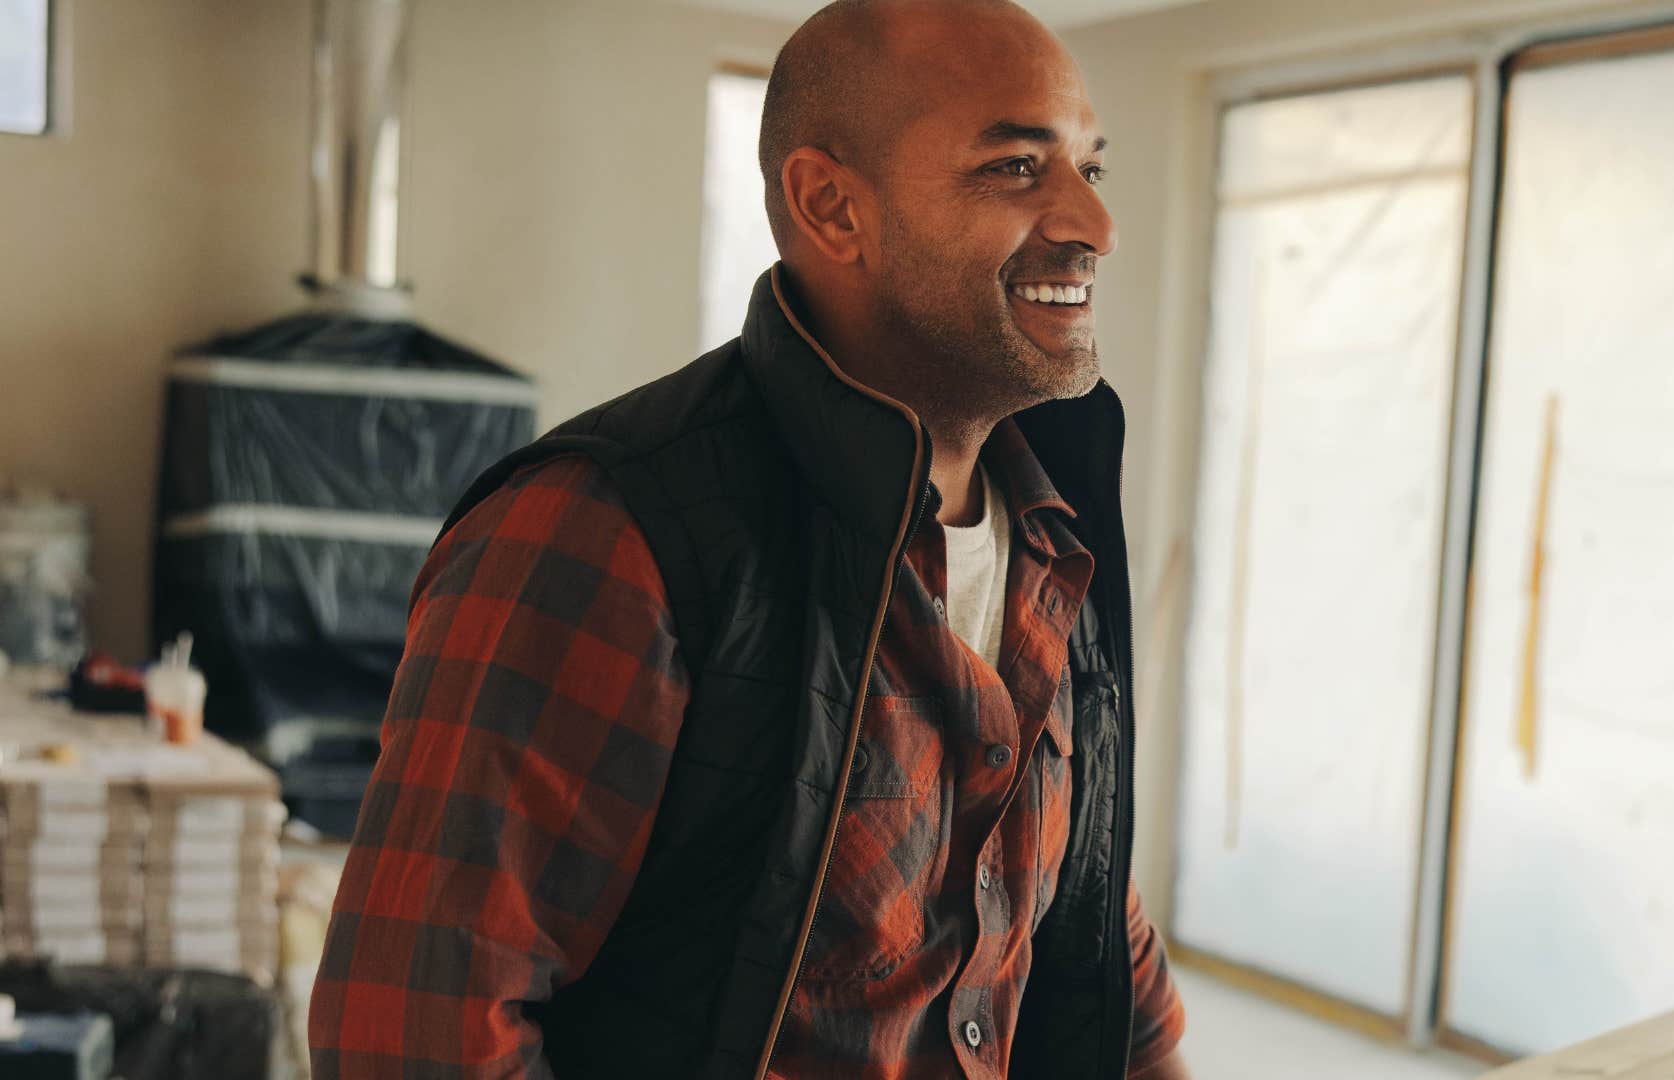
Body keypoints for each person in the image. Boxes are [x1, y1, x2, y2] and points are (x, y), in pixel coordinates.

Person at [309, 0, 1188, 1076]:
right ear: (831, 206)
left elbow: (1095, 924)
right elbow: (415, 1038)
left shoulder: (1062, 525)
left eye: (1091, 170)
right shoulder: (603, 531)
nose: (1093, 226)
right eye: (1014, 168)